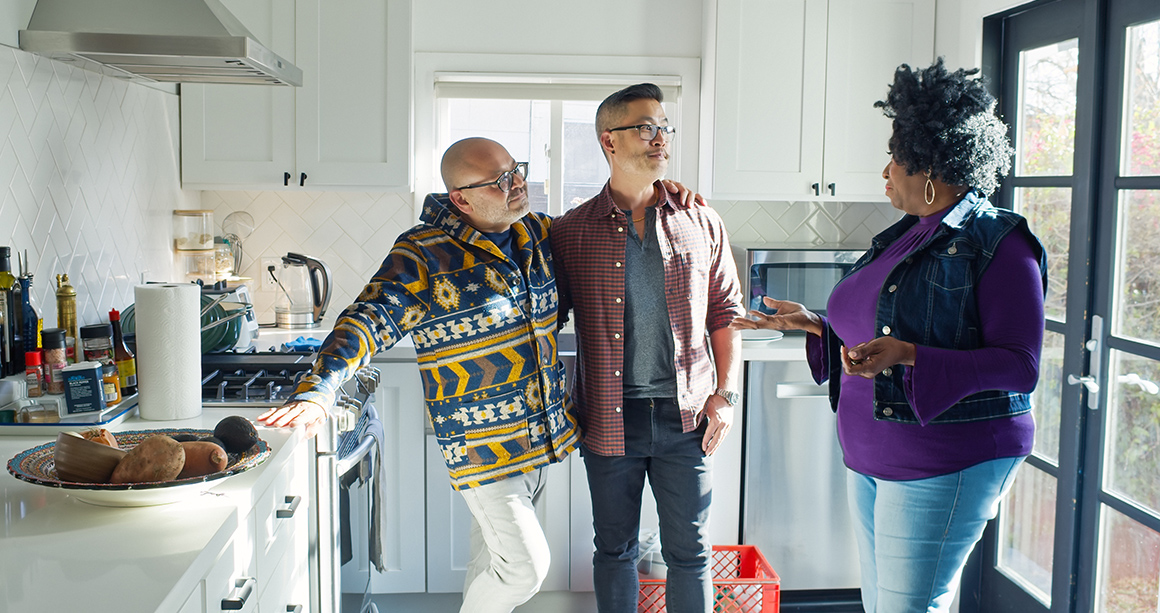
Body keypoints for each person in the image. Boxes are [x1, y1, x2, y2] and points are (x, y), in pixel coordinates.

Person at [259, 137, 699, 613]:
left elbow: (604, 229)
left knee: (490, 561)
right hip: (482, 447)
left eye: (516, 171)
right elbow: (367, 318)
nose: (517, 185)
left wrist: (657, 195)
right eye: (499, 181)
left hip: (540, 438)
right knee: (524, 568)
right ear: (461, 199)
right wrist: (319, 389)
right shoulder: (423, 254)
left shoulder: (539, 234)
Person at [732, 59, 1048, 613]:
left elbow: (1020, 365)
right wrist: (814, 323)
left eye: (893, 161)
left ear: (928, 169)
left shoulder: (999, 242)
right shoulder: (904, 233)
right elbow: (888, 325)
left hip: (945, 458)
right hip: (873, 454)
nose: (885, 174)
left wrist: (910, 356)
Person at [551, 83, 744, 613]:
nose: (661, 138)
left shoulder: (701, 219)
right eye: (645, 127)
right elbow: (541, 322)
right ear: (608, 141)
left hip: (690, 418)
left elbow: (726, 314)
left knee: (692, 553)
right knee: (615, 550)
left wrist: (725, 396)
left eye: (664, 127)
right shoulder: (569, 233)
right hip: (610, 419)